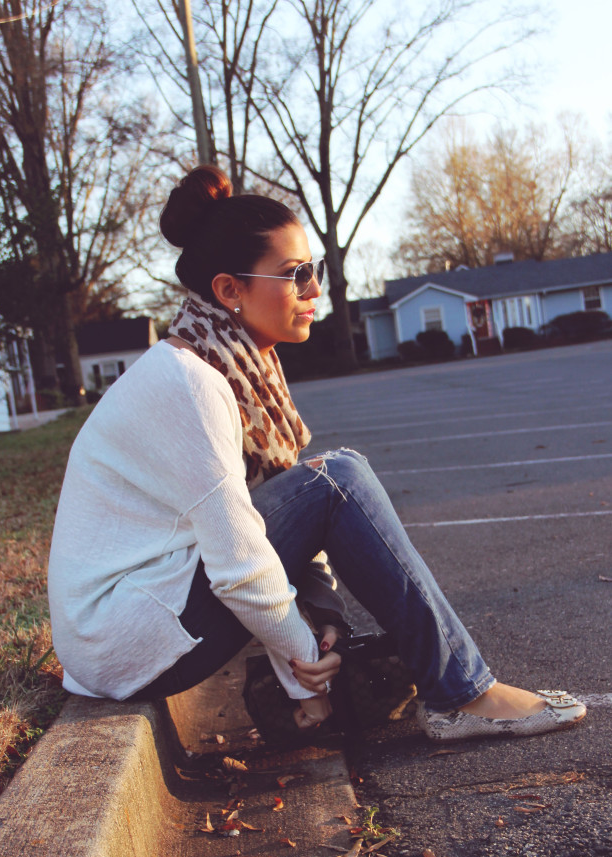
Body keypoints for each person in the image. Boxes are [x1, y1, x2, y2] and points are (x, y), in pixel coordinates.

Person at [47, 165, 586, 741]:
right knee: (338, 479)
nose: (313, 290)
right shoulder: (191, 382)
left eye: (314, 270)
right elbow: (239, 565)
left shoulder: (226, 363)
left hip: (142, 619)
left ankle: (457, 689)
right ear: (230, 290)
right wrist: (308, 675)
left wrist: (322, 616)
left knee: (331, 480)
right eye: (295, 274)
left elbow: (265, 521)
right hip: (127, 640)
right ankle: (463, 694)